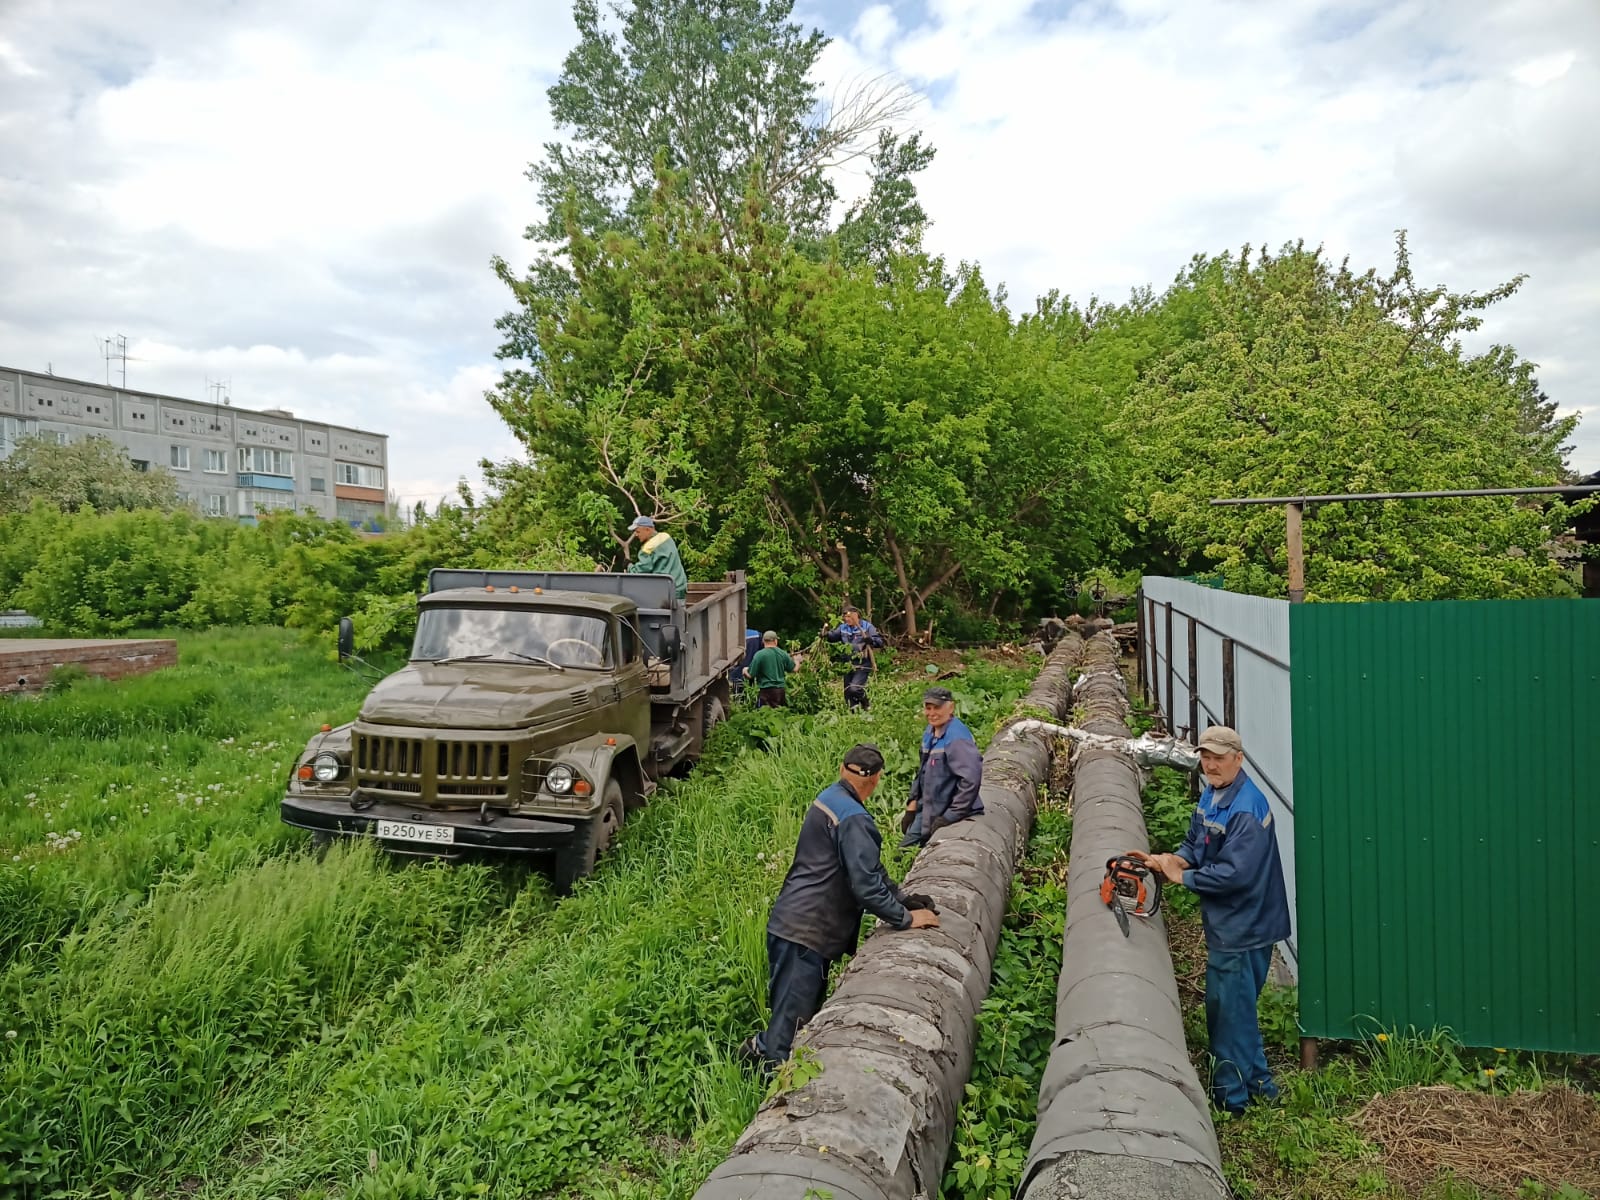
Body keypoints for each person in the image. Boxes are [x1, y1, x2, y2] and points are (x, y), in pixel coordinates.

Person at [740, 743, 940, 1068]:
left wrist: (903, 897)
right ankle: (769, 1081)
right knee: (790, 1028)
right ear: (876, 780)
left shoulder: (830, 798)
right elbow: (865, 885)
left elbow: (866, 871)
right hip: (808, 933)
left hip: (791, 923)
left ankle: (756, 1053)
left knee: (790, 1015)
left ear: (842, 769)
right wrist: (905, 918)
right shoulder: (854, 819)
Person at [1133, 725, 1290, 1116]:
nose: (1210, 764)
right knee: (1237, 1009)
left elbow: (1234, 875)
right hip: (1234, 923)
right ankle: (1260, 1086)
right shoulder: (1214, 792)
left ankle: (1230, 1101)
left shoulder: (1246, 809)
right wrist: (1175, 858)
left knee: (1226, 1013)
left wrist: (1181, 876)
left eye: (1219, 757)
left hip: (1244, 926)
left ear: (1238, 758)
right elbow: (1197, 841)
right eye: (1205, 756)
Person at [900, 686, 984, 847]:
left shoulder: (957, 738)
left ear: (950, 707)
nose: (931, 713)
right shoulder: (930, 732)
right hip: (928, 809)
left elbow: (971, 779)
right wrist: (912, 806)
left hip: (948, 810)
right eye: (928, 708)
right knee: (902, 854)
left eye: (937, 708)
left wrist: (950, 816)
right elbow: (922, 771)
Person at [823, 606, 885, 710]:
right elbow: (833, 637)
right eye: (845, 617)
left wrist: (871, 641)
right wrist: (826, 635)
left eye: (849, 616)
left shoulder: (867, 626)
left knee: (855, 688)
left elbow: (880, 642)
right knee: (848, 694)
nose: (847, 619)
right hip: (848, 664)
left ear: (856, 615)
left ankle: (866, 703)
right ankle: (854, 716)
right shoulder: (843, 627)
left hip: (862, 664)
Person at [624, 515, 688, 600]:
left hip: (664, 591)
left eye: (638, 531)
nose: (636, 535)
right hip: (679, 587)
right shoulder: (666, 537)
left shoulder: (648, 548)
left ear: (648, 529)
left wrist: (629, 565)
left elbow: (638, 573)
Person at [743, 630, 797, 708]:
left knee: (764, 715)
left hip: (765, 692)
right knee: (780, 714)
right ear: (775, 641)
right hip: (780, 692)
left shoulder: (759, 655)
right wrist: (797, 661)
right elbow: (794, 669)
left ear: (763, 641)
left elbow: (750, 675)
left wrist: (745, 671)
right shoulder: (783, 653)